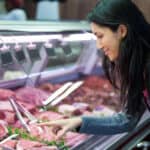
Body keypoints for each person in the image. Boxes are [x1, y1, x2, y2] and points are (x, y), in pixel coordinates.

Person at [39, 0, 150, 139]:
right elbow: (127, 120)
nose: (98, 45)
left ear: (122, 31)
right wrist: (79, 122)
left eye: (100, 36)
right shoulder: (138, 67)